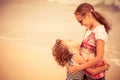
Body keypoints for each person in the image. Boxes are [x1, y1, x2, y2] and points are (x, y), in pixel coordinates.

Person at [67, 3, 111, 80]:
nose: (81, 24)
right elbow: (87, 49)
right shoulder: (88, 28)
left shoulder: (99, 31)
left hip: (95, 76)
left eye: (80, 21)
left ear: (88, 15)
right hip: (86, 71)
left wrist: (79, 67)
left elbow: (99, 57)